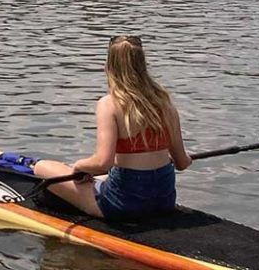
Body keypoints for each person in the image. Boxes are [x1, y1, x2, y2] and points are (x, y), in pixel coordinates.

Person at [32, 35, 192, 220]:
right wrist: (183, 158)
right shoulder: (165, 103)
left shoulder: (109, 105)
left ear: (109, 66)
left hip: (122, 205)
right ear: (143, 65)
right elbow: (181, 163)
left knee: (42, 167)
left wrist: (78, 167)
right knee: (101, 177)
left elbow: (103, 163)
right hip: (164, 202)